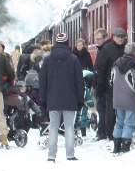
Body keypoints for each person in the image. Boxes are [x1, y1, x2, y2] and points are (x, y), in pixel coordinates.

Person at [39, 32, 85, 162]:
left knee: (53, 126)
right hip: (70, 99)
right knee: (69, 127)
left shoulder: (47, 60)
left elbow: (43, 81)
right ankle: (70, 155)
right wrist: (80, 99)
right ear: (67, 43)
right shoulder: (73, 59)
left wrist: (43, 99)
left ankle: (51, 155)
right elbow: (79, 82)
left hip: (52, 99)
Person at [109, 44, 135, 154]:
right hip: (131, 98)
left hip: (117, 98)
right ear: (134, 52)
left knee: (119, 122)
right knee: (129, 123)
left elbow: (111, 80)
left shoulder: (116, 63)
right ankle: (125, 148)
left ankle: (116, 147)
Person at [91, 29, 121, 141]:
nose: (97, 41)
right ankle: (102, 131)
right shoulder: (103, 48)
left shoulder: (105, 50)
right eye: (96, 39)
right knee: (103, 109)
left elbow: (101, 70)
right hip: (104, 85)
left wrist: (98, 86)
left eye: (99, 39)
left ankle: (103, 132)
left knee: (104, 110)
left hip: (105, 86)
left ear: (105, 38)